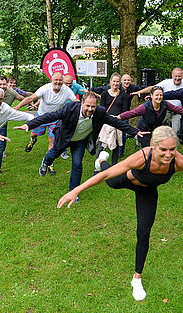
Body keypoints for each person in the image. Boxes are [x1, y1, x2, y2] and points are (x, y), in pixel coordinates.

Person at [57, 126, 182, 301]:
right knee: (110, 180)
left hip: (148, 191)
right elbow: (106, 176)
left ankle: (136, 279)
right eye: (163, 149)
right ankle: (101, 159)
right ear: (153, 145)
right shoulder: (142, 157)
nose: (168, 154)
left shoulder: (178, 161)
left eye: (172, 149)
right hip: (126, 180)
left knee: (144, 232)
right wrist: (76, 190)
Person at [14, 92, 146, 201]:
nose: (90, 109)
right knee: (53, 153)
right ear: (81, 103)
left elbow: (115, 122)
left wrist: (135, 132)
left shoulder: (100, 112)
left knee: (77, 164)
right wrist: (29, 125)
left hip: (80, 140)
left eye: (93, 106)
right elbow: (50, 116)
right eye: (87, 106)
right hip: (65, 137)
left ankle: (73, 192)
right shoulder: (70, 109)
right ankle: (46, 162)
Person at [14, 72, 78, 175]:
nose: (58, 82)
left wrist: (84, 108)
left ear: (62, 81)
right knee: (34, 134)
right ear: (52, 80)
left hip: (55, 118)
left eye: (60, 80)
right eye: (55, 80)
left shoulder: (67, 91)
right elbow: (31, 98)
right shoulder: (45, 88)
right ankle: (32, 140)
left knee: (52, 140)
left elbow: (76, 101)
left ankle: (49, 164)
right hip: (42, 117)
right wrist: (17, 107)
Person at [118, 86, 183, 147]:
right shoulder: (144, 107)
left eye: (161, 95)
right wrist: (117, 117)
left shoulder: (165, 104)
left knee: (160, 148)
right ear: (151, 96)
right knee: (149, 150)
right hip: (143, 130)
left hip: (155, 129)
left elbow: (177, 109)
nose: (159, 97)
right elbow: (131, 113)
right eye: (157, 95)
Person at [131, 68, 183, 133]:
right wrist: (140, 92)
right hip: (166, 109)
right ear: (172, 76)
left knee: (176, 130)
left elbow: (174, 94)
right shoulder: (166, 82)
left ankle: (174, 142)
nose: (177, 78)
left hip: (178, 110)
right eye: (176, 76)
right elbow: (153, 88)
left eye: (179, 76)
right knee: (156, 125)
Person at [96, 73, 127, 166]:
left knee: (116, 145)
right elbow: (101, 108)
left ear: (120, 83)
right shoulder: (105, 94)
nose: (115, 83)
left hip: (117, 121)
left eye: (117, 81)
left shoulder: (123, 95)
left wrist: (119, 118)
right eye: (114, 81)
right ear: (110, 82)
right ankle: (97, 164)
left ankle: (114, 165)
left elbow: (125, 110)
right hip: (106, 122)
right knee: (103, 144)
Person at [60, 75, 87, 160]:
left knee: (71, 130)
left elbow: (85, 92)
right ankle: (63, 150)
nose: (68, 85)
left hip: (72, 111)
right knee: (62, 130)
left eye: (70, 84)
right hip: (60, 110)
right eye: (66, 83)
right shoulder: (59, 86)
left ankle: (72, 147)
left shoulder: (75, 86)